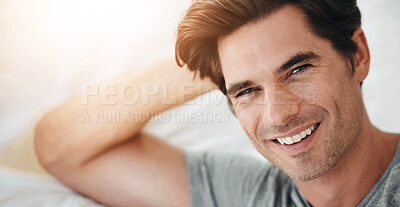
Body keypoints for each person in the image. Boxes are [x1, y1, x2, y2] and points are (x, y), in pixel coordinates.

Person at [34, 0, 400, 206]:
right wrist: (216, 59)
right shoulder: (248, 195)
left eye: (297, 69)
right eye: (246, 90)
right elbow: (62, 147)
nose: (278, 113)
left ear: (358, 54)